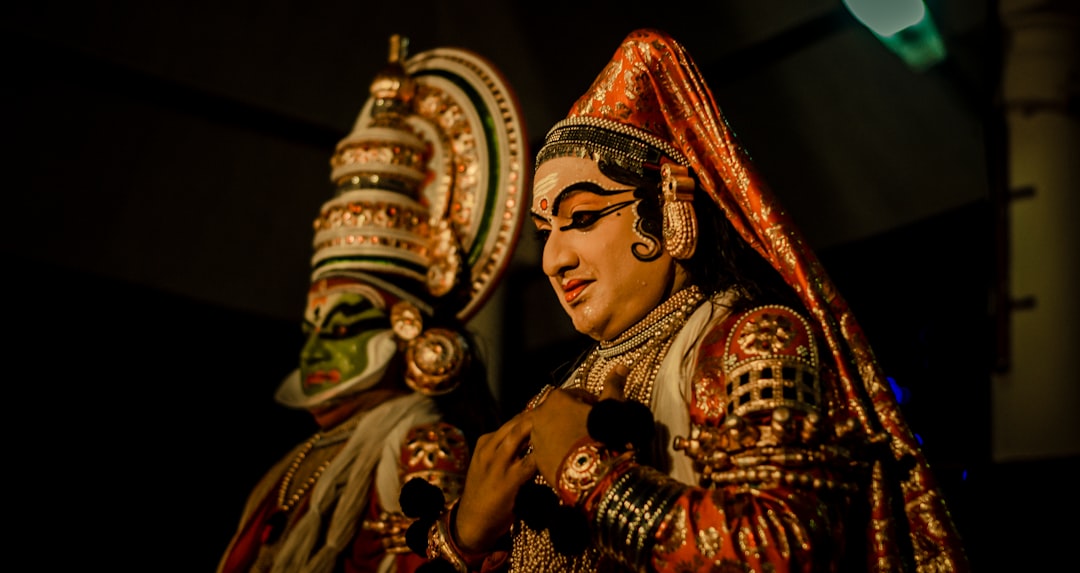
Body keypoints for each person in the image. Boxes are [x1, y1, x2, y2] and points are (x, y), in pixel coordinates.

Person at [410, 28, 970, 572]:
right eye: (545, 232)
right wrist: (464, 538)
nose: (555, 259)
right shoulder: (556, 400)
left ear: (670, 206)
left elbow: (785, 551)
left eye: (581, 218)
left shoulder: (754, 342)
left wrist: (587, 470)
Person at [218, 34, 529, 573]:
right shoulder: (300, 461)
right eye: (311, 328)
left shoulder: (424, 443)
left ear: (407, 327)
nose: (314, 351)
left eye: (341, 326)